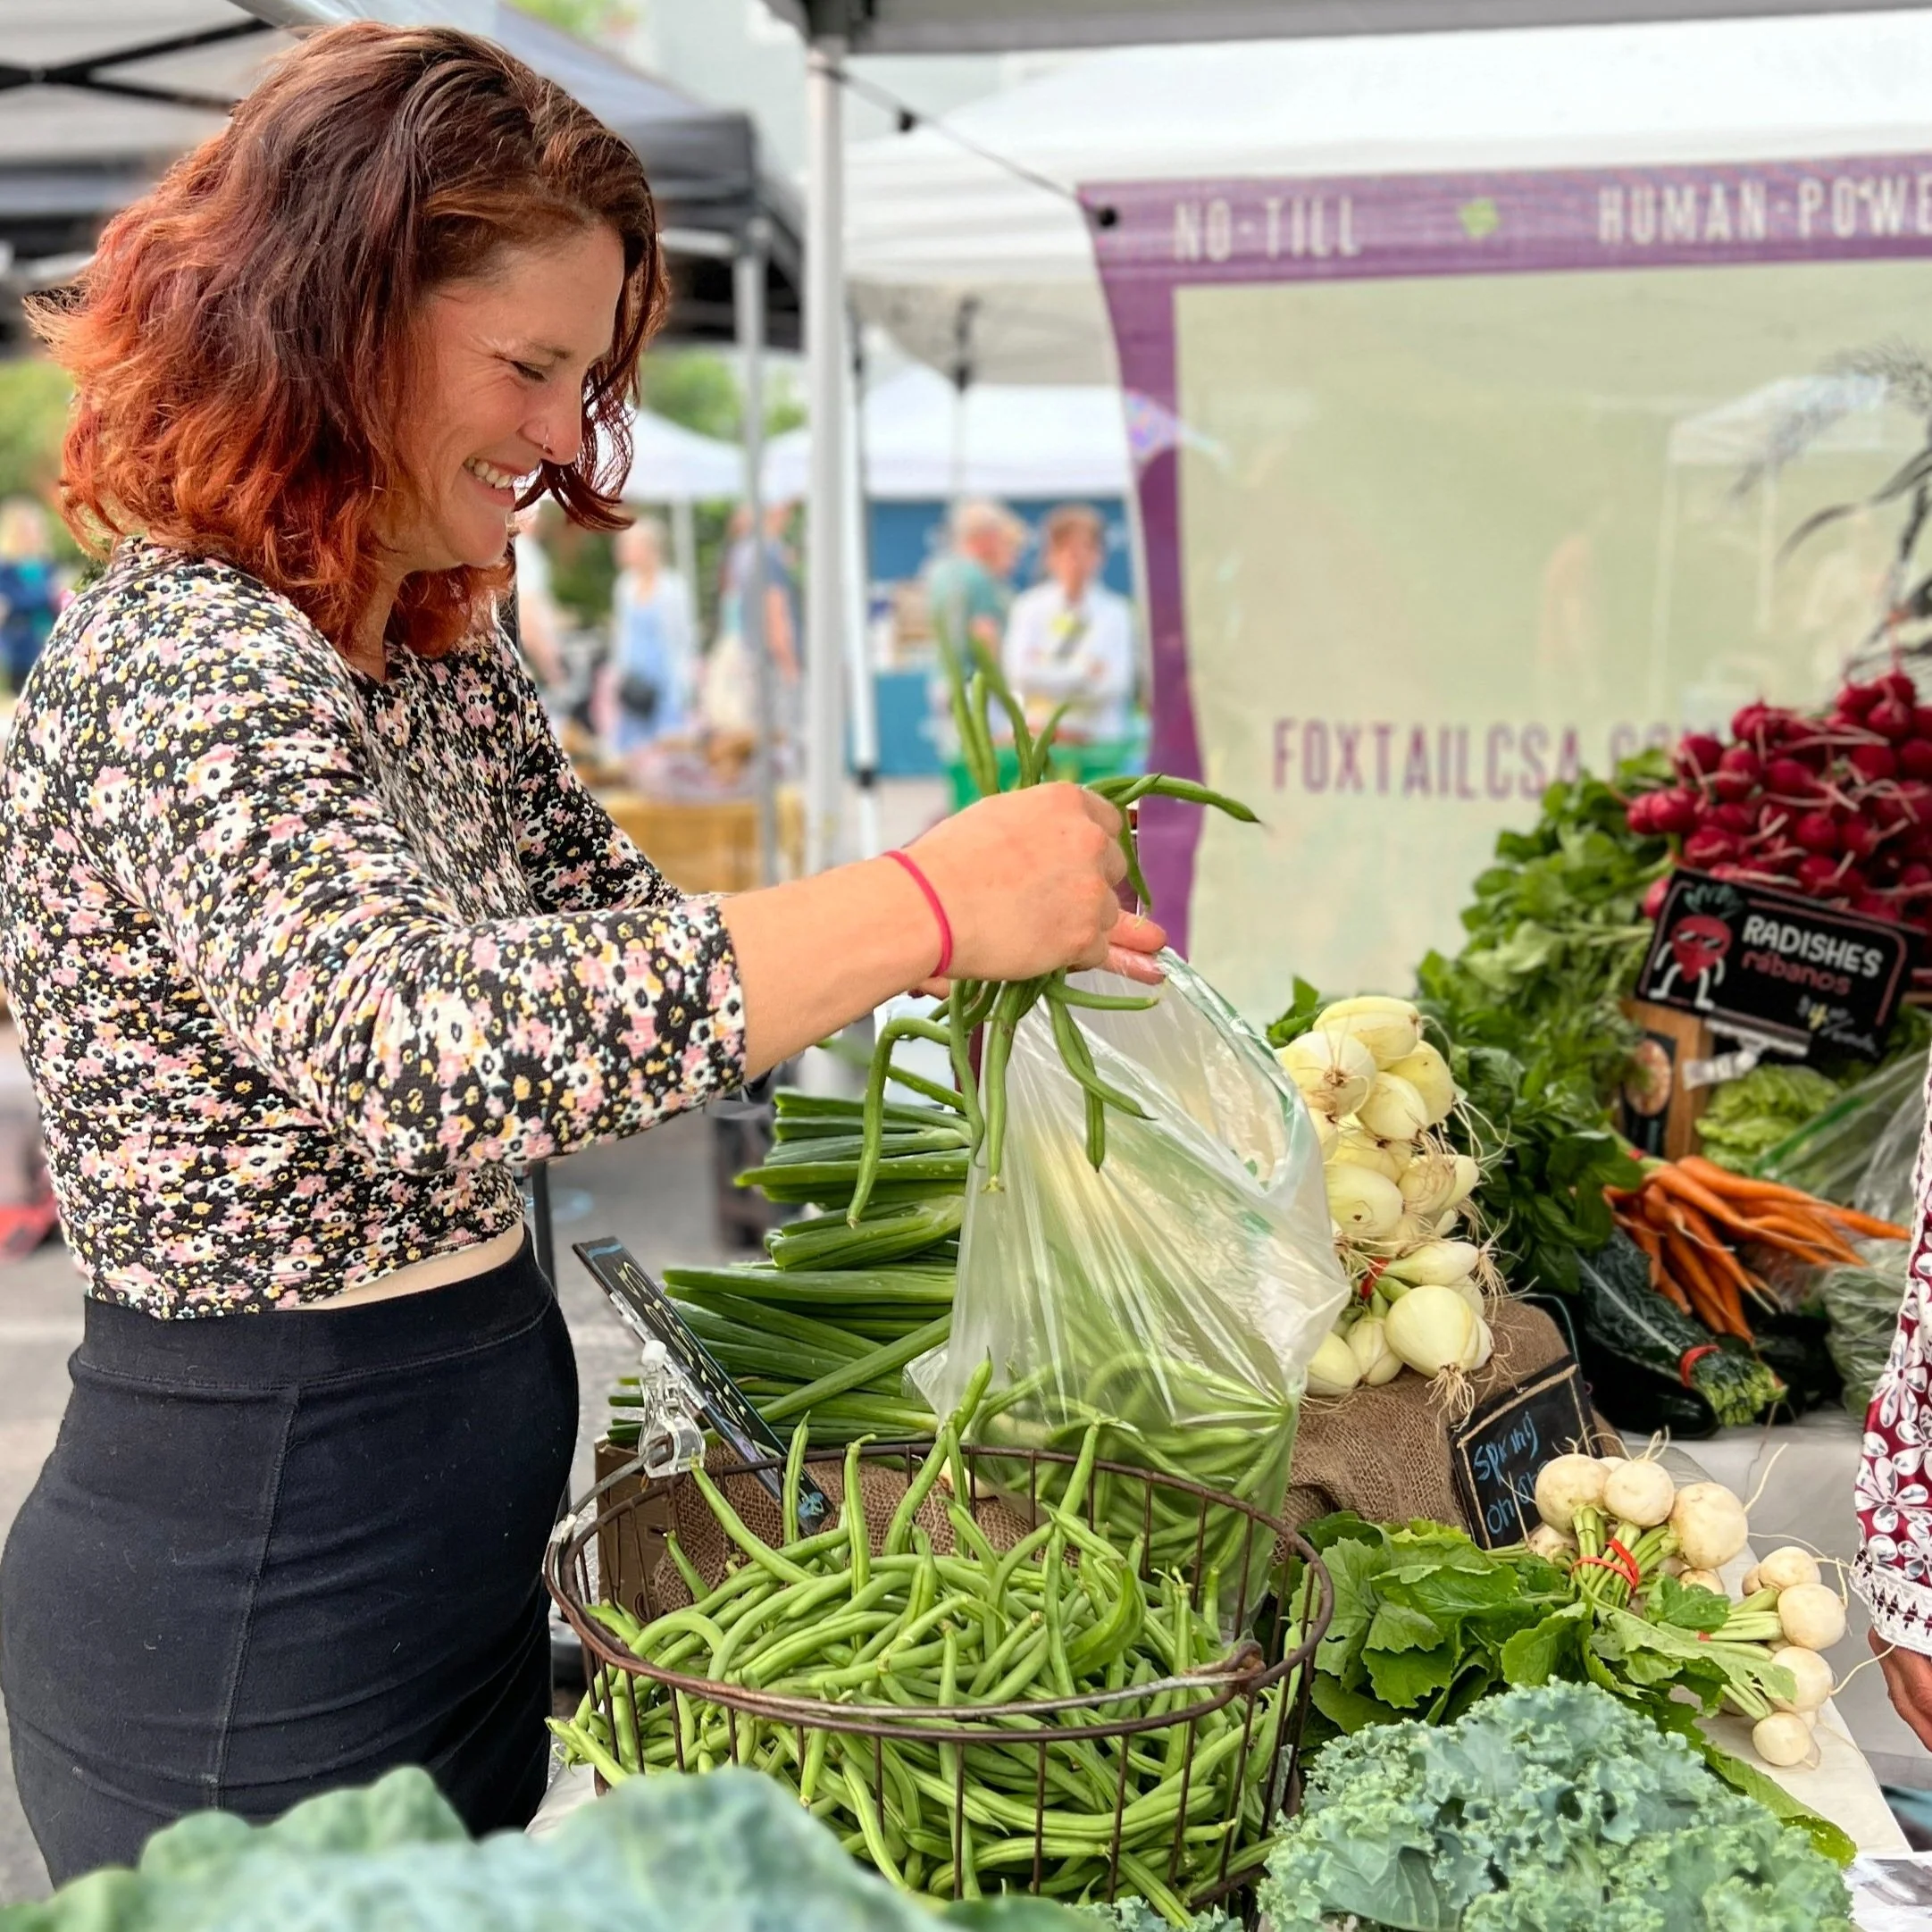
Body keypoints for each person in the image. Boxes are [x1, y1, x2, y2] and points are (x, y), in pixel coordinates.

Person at [0, 23, 1162, 1886]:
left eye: (585, 372)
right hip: (253, 1598)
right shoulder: (187, 659)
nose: (563, 437)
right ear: (329, 326)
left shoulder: (424, 649)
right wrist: (924, 898)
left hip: (432, 1556)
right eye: (528, 367)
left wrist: (966, 944)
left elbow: (614, 956)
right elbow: (419, 1046)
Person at [1001, 504, 1137, 743]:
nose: (1076, 559)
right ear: (1050, 556)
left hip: (1099, 742)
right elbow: (1020, 675)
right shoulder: (1028, 608)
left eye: (1086, 549)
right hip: (1038, 737)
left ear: (1100, 555)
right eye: (1066, 549)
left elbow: (1116, 683)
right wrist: (1085, 670)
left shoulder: (1116, 612)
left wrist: (1045, 669)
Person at [603, 515, 694, 767]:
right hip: (634, 676)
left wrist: (683, 682)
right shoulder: (625, 586)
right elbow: (622, 633)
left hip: (664, 676)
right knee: (631, 750)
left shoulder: (672, 588)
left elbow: (682, 637)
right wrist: (618, 673)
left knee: (667, 748)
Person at [925, 498, 1025, 660]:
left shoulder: (940, 572)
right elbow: (986, 638)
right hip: (974, 673)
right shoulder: (979, 578)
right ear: (987, 536)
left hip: (946, 670)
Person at [0, 498, 59, 695]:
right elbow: (13, 602)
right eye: (28, 531)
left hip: (47, 641)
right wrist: (46, 594)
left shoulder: (45, 564)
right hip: (21, 649)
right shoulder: (7, 568)